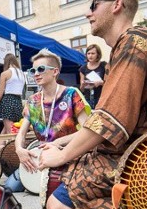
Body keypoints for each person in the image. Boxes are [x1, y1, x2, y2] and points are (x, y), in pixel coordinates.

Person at [37, 0, 147, 209]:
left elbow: (111, 119)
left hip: (146, 159)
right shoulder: (130, 43)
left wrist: (63, 155)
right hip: (142, 149)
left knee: (59, 208)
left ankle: (143, 205)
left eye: (94, 5)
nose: (89, 13)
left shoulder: (135, 42)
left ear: (116, 5)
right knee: (68, 168)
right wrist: (60, 142)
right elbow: (111, 116)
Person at [5, 49, 90, 191]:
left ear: (55, 71)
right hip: (42, 154)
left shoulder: (71, 94)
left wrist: (58, 142)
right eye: (33, 70)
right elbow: (21, 133)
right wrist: (19, 149)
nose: (36, 73)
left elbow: (89, 129)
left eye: (41, 69)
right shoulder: (32, 101)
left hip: (67, 152)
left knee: (58, 188)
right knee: (10, 187)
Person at [0, 53, 26, 133]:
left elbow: (0, 93)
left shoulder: (5, 73)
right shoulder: (22, 74)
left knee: (10, 132)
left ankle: (8, 145)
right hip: (18, 102)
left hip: (8, 101)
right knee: (10, 129)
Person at [78, 43, 107, 109]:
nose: (90, 56)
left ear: (98, 54)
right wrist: (83, 84)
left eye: (93, 53)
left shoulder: (104, 65)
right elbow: (81, 90)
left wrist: (100, 83)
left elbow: (111, 82)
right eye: (88, 53)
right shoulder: (83, 68)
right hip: (88, 99)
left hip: (102, 98)